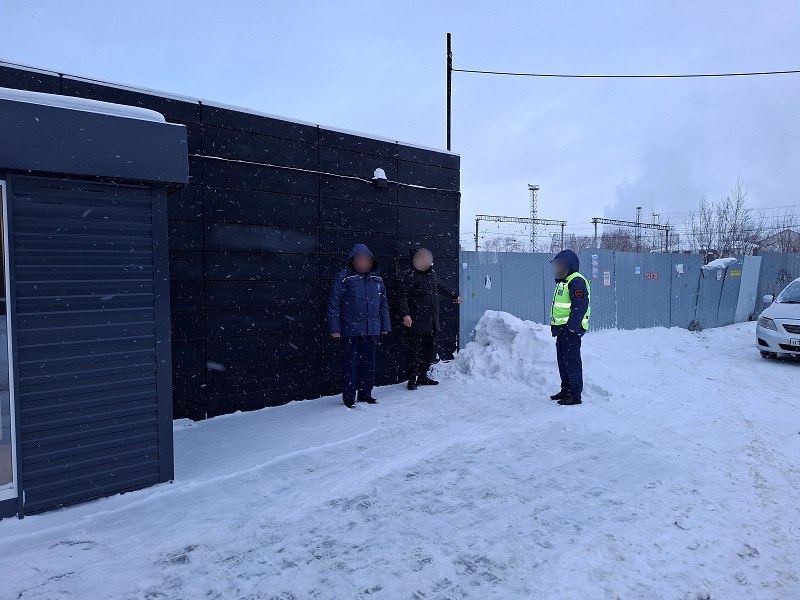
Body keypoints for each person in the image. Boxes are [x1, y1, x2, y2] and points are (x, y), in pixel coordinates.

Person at [327, 244, 391, 408]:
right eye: (360, 259)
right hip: (351, 331)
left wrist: (385, 325)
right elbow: (334, 304)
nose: (364, 262)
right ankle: (349, 397)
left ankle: (365, 394)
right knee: (351, 364)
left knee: (369, 364)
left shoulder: (377, 279)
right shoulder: (344, 277)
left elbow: (383, 304)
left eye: (367, 259)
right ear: (353, 261)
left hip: (371, 330)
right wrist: (334, 328)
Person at [397, 246, 462, 390]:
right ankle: (412, 379)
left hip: (432, 322)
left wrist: (454, 295)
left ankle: (422, 376)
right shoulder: (409, 276)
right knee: (414, 352)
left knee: (427, 352)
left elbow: (441, 287)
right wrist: (405, 314)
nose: (424, 260)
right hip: (416, 322)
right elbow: (402, 297)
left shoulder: (432, 274)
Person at [549, 249, 591, 406]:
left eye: (561, 265)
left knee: (572, 361)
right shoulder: (564, 281)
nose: (558, 268)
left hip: (570, 330)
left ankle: (575, 394)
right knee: (563, 361)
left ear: (570, 265)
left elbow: (580, 306)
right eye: (557, 265)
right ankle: (566, 390)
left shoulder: (576, 280)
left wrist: (572, 328)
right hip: (561, 329)